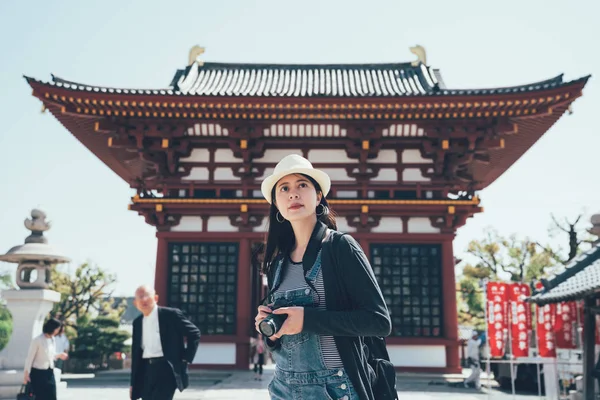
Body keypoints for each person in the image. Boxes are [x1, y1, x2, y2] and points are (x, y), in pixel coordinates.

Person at [254, 154, 392, 400]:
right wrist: (272, 335)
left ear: (318, 196)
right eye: (284, 188)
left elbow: (378, 321)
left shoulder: (339, 247)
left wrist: (308, 319)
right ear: (276, 203)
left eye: (302, 185)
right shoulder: (278, 263)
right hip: (283, 386)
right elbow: (282, 343)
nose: (293, 194)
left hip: (333, 389)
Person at [129, 285, 201, 400]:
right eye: (140, 297)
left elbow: (194, 333)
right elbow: (135, 353)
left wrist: (185, 358)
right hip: (146, 370)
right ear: (135, 303)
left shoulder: (170, 315)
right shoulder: (137, 322)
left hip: (166, 369)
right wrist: (133, 383)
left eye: (147, 295)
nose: (143, 300)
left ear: (156, 298)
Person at [23, 318, 69, 400]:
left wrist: (59, 355)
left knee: (52, 395)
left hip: (49, 372)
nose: (58, 331)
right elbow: (30, 358)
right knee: (40, 397)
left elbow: (51, 355)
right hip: (37, 373)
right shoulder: (37, 340)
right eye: (57, 329)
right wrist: (26, 374)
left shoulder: (52, 339)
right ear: (52, 328)